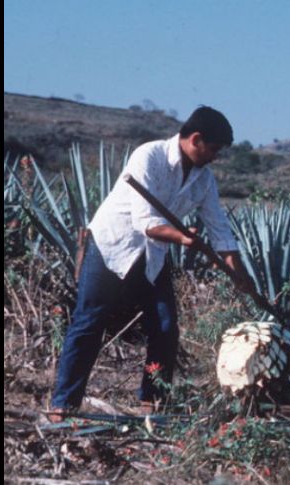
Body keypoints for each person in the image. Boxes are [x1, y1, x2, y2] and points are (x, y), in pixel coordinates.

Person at [47, 106, 254, 422]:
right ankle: (63, 405)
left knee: (165, 326)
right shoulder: (150, 156)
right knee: (89, 322)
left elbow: (219, 227)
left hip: (154, 254)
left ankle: (153, 404)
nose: (215, 157)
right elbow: (146, 221)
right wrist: (182, 238)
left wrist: (238, 271)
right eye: (213, 149)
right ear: (196, 139)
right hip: (111, 247)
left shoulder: (204, 179)